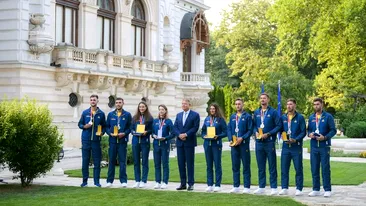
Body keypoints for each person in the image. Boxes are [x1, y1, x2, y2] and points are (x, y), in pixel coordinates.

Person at [253, 93, 282, 195]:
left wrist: (269, 133)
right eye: (261, 98)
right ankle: (261, 186)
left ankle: (274, 187)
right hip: (259, 142)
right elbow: (253, 125)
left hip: (269, 142)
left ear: (268, 100)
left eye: (264, 98)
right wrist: (255, 132)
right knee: (261, 166)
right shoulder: (256, 112)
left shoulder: (273, 112)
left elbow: (279, 126)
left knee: (272, 165)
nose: (262, 100)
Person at [308, 98, 336, 197]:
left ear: (322, 105)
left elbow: (333, 130)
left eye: (318, 104)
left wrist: (325, 137)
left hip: (324, 146)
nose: (316, 106)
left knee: (325, 167)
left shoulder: (328, 116)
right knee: (314, 167)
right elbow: (308, 130)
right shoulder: (311, 117)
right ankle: (316, 189)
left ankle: (327, 189)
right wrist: (309, 134)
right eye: (314, 104)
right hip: (314, 146)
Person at [279, 98, 306, 196]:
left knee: (298, 168)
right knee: (284, 168)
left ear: (295, 105)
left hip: (296, 146)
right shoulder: (283, 117)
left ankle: (299, 188)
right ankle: (284, 187)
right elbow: (280, 129)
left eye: (291, 104)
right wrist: (282, 136)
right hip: (286, 146)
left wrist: (296, 139)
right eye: (287, 104)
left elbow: (303, 132)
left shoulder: (300, 118)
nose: (289, 106)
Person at [78, 94, 106, 187]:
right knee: (85, 161)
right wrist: (84, 126)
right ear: (89, 101)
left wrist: (102, 132)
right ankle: (84, 181)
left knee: (97, 161)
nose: (93, 101)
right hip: (86, 140)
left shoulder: (101, 114)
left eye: (94, 100)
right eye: (91, 100)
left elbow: (104, 126)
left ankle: (96, 182)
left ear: (97, 101)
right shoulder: (85, 112)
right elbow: (80, 124)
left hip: (96, 140)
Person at [227, 98, 253, 194]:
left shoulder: (247, 116)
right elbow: (229, 129)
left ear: (243, 105)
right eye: (236, 104)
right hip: (234, 145)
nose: (238, 105)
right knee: (235, 165)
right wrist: (231, 139)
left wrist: (242, 138)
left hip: (244, 145)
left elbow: (250, 130)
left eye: (239, 104)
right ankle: (236, 186)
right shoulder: (232, 116)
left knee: (246, 165)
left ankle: (246, 186)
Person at [174, 99, 200, 191]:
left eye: (185, 103)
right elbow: (175, 127)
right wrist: (179, 135)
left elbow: (195, 127)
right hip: (180, 143)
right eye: (182, 104)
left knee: (190, 164)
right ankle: (183, 183)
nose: (183, 105)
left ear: (189, 104)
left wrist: (186, 134)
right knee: (181, 164)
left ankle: (191, 184)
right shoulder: (178, 115)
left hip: (189, 142)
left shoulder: (195, 115)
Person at [105, 97, 132, 188]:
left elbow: (130, 128)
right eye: (116, 103)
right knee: (111, 161)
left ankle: (123, 181)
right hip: (112, 141)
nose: (118, 104)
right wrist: (110, 134)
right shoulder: (111, 114)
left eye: (120, 102)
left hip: (122, 141)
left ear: (123, 103)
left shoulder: (127, 115)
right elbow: (106, 127)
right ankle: (109, 181)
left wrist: (124, 133)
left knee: (122, 161)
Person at [201, 103, 227, 192]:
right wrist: (204, 136)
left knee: (217, 165)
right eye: (211, 109)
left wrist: (218, 136)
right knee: (209, 165)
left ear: (216, 109)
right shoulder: (207, 119)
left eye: (213, 109)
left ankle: (218, 184)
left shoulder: (220, 120)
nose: (212, 110)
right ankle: (210, 184)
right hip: (207, 144)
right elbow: (203, 131)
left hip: (216, 145)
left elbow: (225, 132)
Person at [131, 101, 153, 188]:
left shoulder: (149, 118)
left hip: (144, 141)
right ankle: (137, 180)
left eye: (143, 107)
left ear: (146, 107)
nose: (141, 108)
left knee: (144, 161)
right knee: (136, 161)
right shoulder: (135, 117)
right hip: (136, 140)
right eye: (140, 107)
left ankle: (143, 180)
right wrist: (134, 132)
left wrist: (146, 132)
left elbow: (152, 129)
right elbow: (131, 128)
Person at [152, 104, 175, 189]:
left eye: (162, 109)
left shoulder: (168, 121)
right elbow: (152, 132)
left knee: (165, 163)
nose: (161, 111)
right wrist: (153, 135)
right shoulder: (155, 121)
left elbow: (173, 134)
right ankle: (157, 181)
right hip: (156, 144)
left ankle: (165, 182)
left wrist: (165, 138)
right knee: (157, 164)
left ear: (165, 111)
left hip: (164, 145)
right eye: (160, 109)